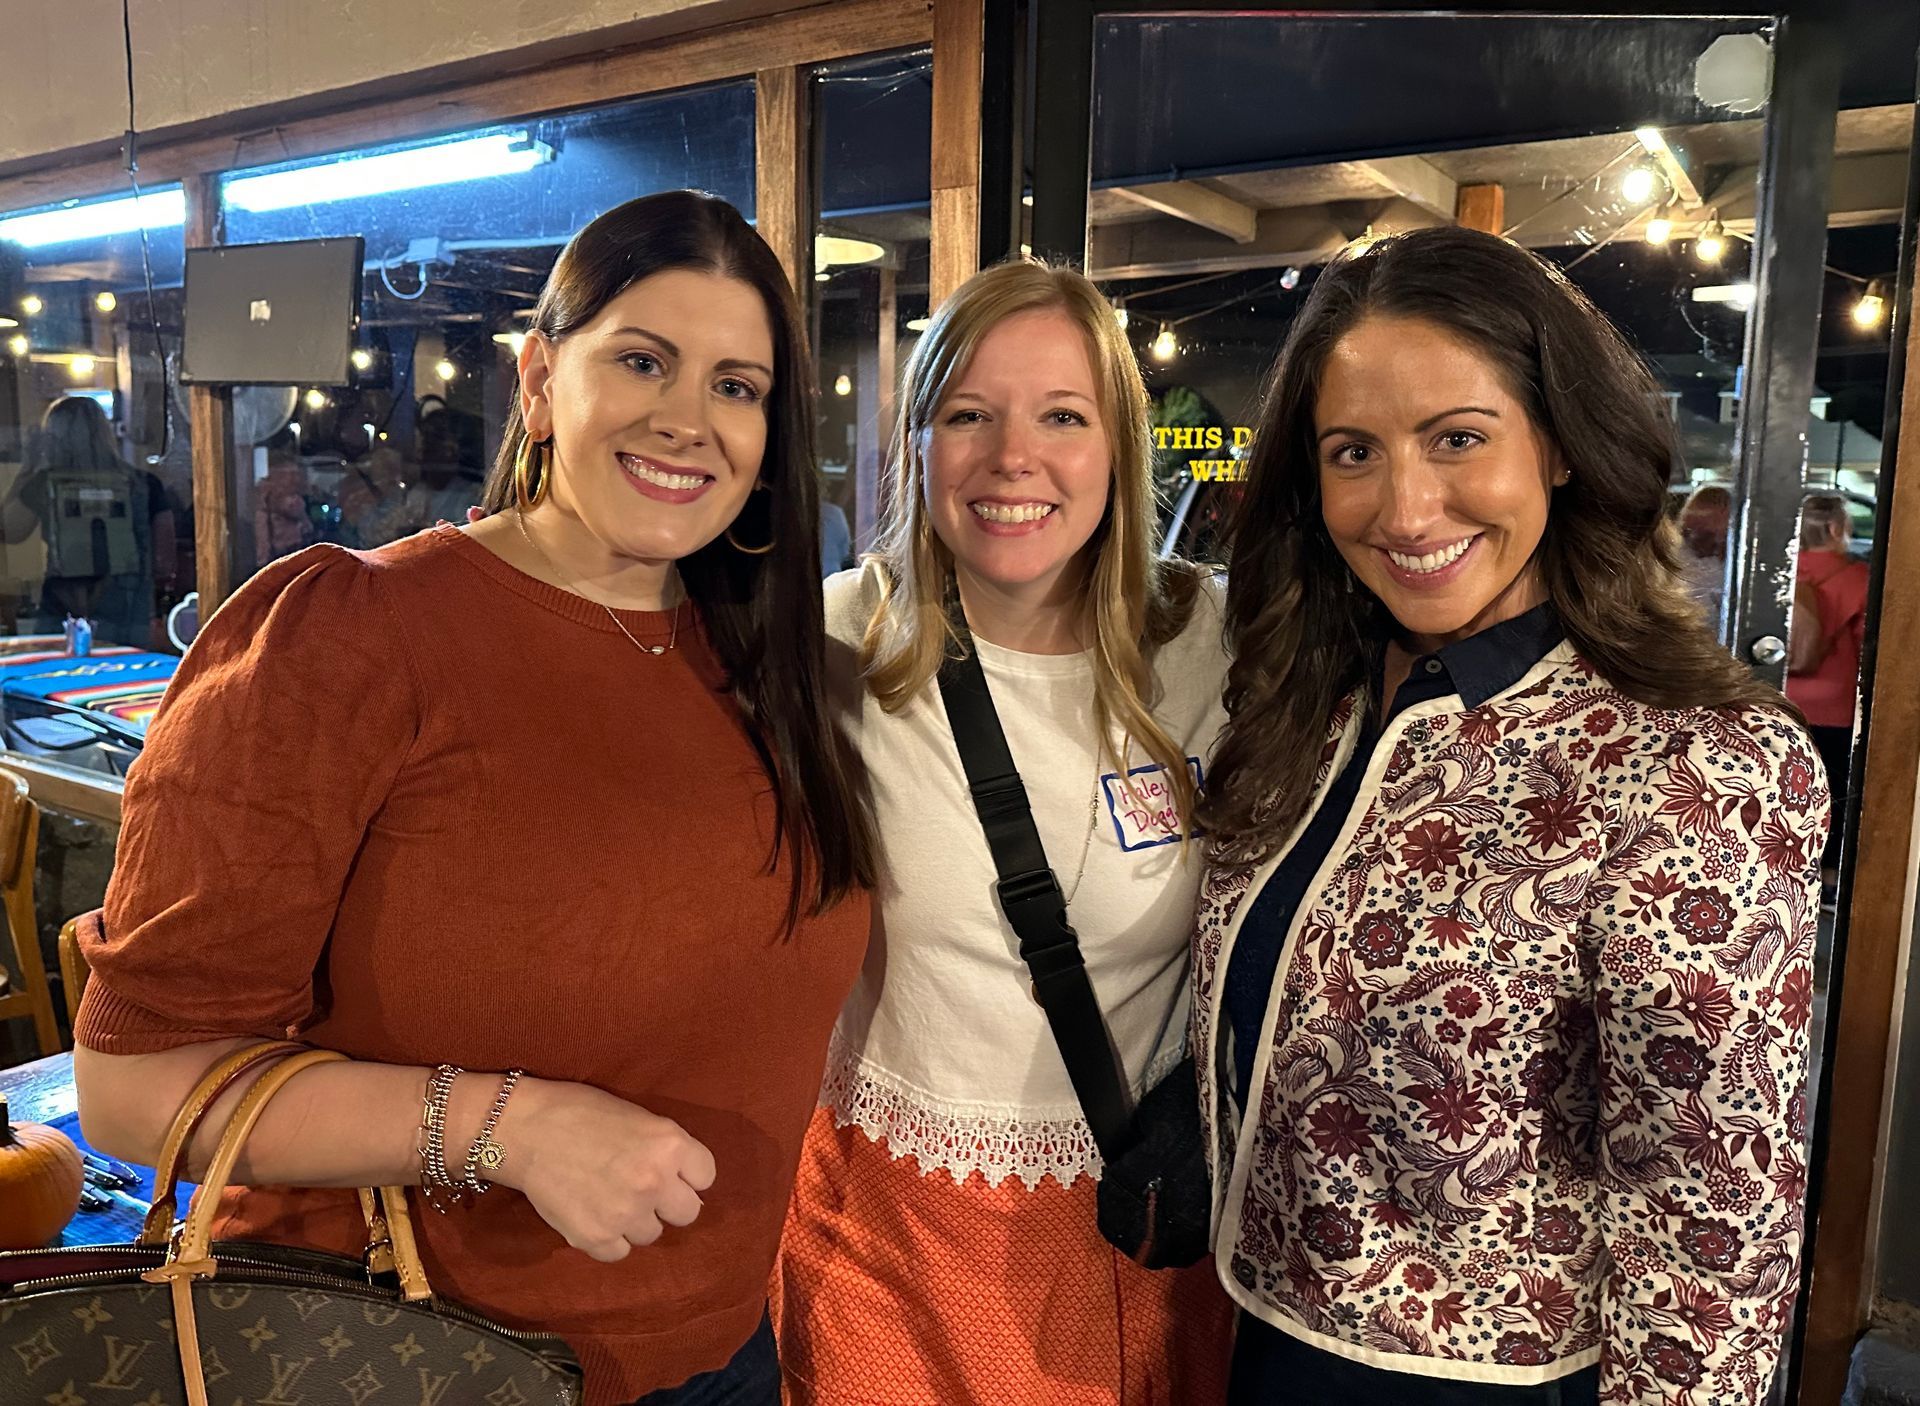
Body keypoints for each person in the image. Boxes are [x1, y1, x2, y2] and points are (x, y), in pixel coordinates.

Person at [70, 189, 876, 1406]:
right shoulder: (349, 633)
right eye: (643, 360)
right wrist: (512, 1125)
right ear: (540, 377)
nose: (688, 419)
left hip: (725, 1353)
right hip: (407, 1355)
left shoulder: (780, 667)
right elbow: (133, 1086)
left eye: (737, 386)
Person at [1193, 227, 1826, 1406]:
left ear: (1562, 446)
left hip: (1499, 1383)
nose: (1404, 504)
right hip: (1262, 1337)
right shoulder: (1313, 703)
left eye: (1458, 438)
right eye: (1353, 451)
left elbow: (1715, 1223)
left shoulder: (1697, 761)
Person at [776, 259, 1235, 1404]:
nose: (1011, 457)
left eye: (1062, 416)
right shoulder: (831, 645)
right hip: (885, 1233)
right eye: (967, 414)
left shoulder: (1209, 641)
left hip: (1135, 1223)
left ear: (1120, 448)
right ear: (918, 444)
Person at [1, 394, 177, 647]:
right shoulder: (144, 485)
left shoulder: (44, 483)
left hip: (62, 609)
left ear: (52, 438)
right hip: (127, 609)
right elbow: (164, 561)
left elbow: (9, 530)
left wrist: (28, 467)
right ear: (104, 432)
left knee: (54, 681)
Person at [1787, 493, 1869, 884]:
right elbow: (1871, 649)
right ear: (1836, 529)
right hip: (1837, 710)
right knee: (1834, 793)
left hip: (1778, 703)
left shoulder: (1777, 571)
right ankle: (1828, 878)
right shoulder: (1861, 579)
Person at [1676, 481, 1731, 628]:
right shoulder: (1678, 561)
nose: (1694, 537)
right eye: (1689, 531)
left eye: (1707, 534)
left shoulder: (1736, 568)